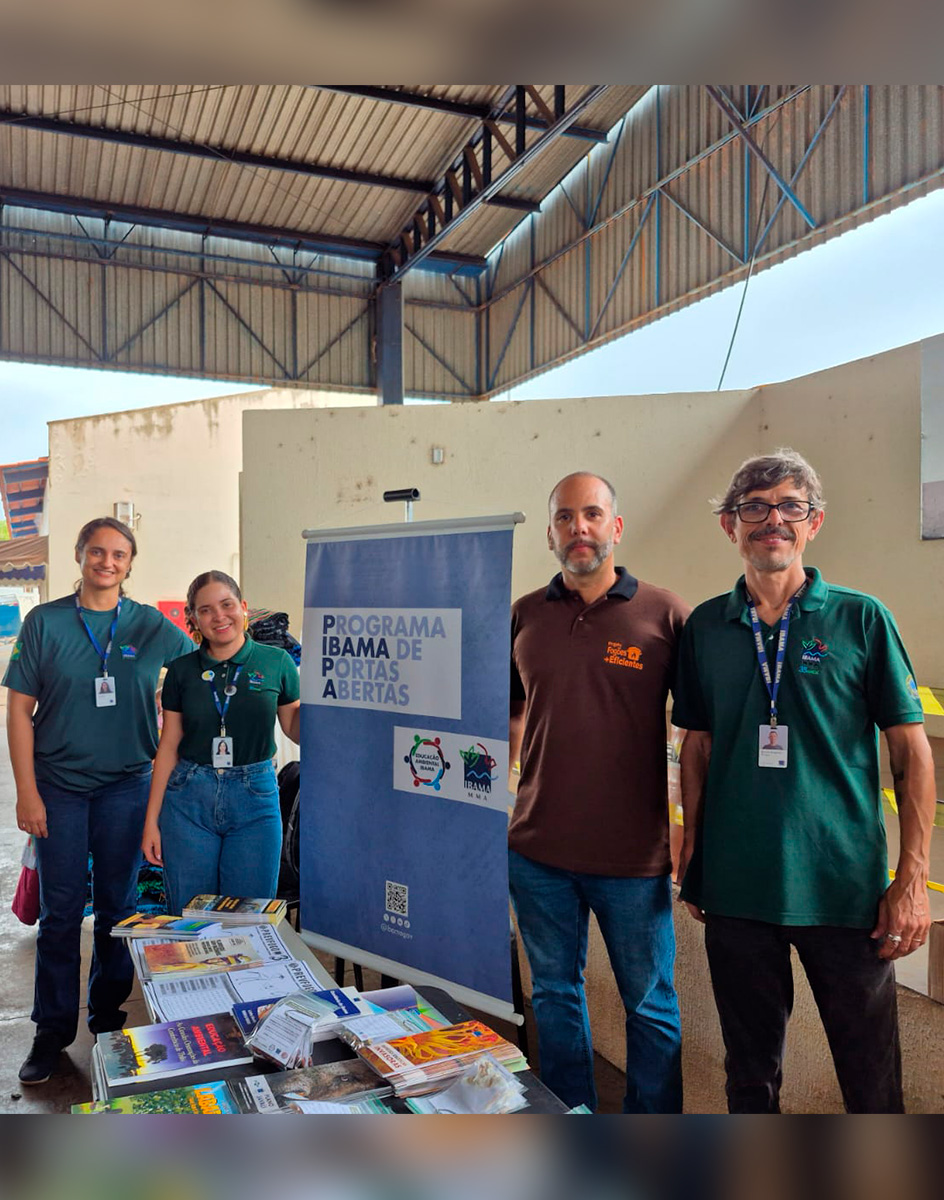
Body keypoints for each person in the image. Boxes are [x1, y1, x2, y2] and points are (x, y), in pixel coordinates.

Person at [674, 448, 936, 1114]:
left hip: (844, 891)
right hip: (738, 889)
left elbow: (910, 752)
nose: (773, 520)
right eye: (755, 508)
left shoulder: (861, 618)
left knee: (871, 1081)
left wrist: (910, 878)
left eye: (790, 506)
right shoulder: (705, 627)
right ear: (729, 525)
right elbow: (697, 745)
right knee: (750, 1076)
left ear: (813, 522)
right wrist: (694, 850)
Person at [508, 471, 691, 1112]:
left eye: (591, 514)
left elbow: (697, 732)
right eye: (564, 517)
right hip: (537, 853)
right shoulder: (525, 614)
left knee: (651, 1006)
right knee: (554, 997)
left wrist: (686, 830)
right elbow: (511, 712)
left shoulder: (666, 614)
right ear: (550, 533)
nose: (578, 528)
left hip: (633, 858)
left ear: (616, 526)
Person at [3, 517, 193, 1085]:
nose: (107, 562)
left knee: (118, 910)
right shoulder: (45, 622)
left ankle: (108, 1019)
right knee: (60, 914)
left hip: (127, 787)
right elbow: (18, 711)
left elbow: (202, 665)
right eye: (97, 552)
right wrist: (26, 792)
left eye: (118, 554)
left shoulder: (149, 624)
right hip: (58, 787)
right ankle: (51, 1030)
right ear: (80, 555)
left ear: (130, 563)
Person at [142, 570, 300, 915]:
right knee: (190, 918)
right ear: (194, 618)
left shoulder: (277, 662)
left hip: (254, 799)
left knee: (248, 919)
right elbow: (168, 746)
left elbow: (294, 727)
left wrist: (330, 708)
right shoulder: (181, 671)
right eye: (206, 610)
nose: (219, 616)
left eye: (227, 605)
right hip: (188, 799)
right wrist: (151, 820)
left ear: (243, 607)